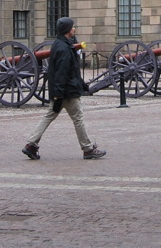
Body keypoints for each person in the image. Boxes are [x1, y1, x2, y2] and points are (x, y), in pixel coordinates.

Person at [22, 17, 106, 160]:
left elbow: (70, 71)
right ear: (68, 30)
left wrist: (80, 85)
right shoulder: (64, 48)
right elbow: (63, 73)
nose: (74, 29)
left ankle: (30, 144)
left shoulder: (60, 45)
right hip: (67, 92)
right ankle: (87, 149)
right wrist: (59, 95)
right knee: (78, 118)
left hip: (62, 91)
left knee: (49, 116)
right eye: (73, 27)